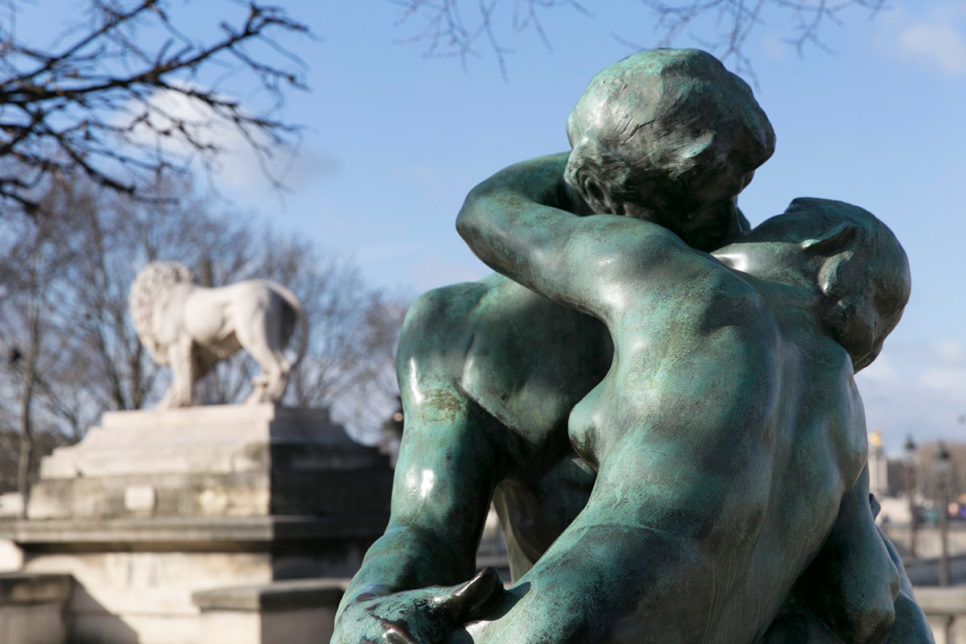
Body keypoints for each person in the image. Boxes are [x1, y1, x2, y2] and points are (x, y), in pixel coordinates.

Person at [331, 48, 776, 643]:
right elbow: (427, 529)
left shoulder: (770, 299)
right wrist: (372, 605)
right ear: (601, 190)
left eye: (737, 190)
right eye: (705, 204)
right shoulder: (465, 332)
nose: (732, 221)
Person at [452, 195, 916, 642]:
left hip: (556, 622)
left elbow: (485, 216)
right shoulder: (843, 399)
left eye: (777, 221)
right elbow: (866, 604)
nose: (744, 226)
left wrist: (582, 169)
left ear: (827, 248)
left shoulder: (686, 280)